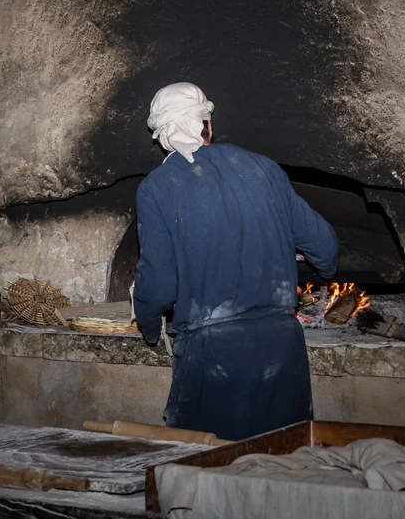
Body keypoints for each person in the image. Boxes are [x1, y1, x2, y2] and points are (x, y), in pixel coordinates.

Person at [133, 82, 339, 441]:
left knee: (210, 474)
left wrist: (149, 327)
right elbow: (325, 246)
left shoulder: (157, 187)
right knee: (282, 467)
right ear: (208, 125)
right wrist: (323, 268)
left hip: (213, 354)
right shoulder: (265, 169)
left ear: (161, 137)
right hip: (282, 347)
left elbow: (160, 284)